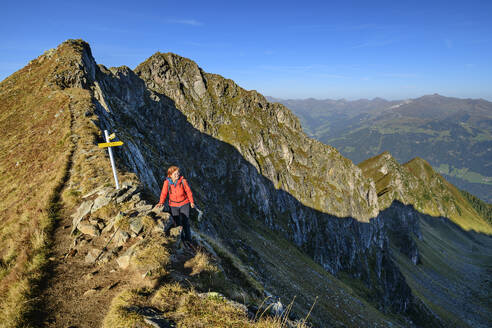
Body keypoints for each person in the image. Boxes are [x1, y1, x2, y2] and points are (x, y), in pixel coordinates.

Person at [156, 166, 195, 246]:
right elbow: (164, 193)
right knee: (177, 223)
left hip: (184, 203)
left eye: (178, 173)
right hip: (173, 205)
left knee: (185, 222)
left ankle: (189, 240)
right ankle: (182, 238)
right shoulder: (167, 183)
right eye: (175, 174)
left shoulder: (183, 181)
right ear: (170, 175)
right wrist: (161, 202)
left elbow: (188, 191)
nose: (177, 175)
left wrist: (191, 202)